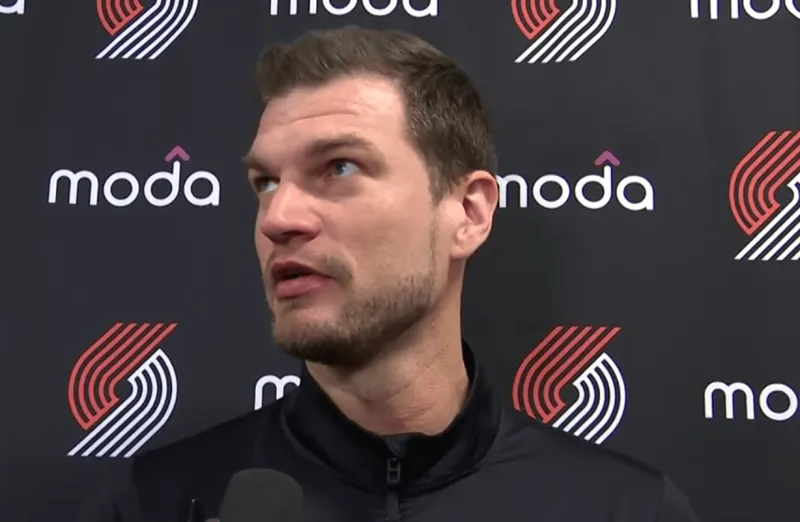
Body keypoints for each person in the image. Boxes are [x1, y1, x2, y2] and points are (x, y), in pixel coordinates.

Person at [78, 25, 700, 522]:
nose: (279, 217)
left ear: (468, 212)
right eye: (265, 182)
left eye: (340, 167)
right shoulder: (153, 502)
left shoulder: (626, 510)